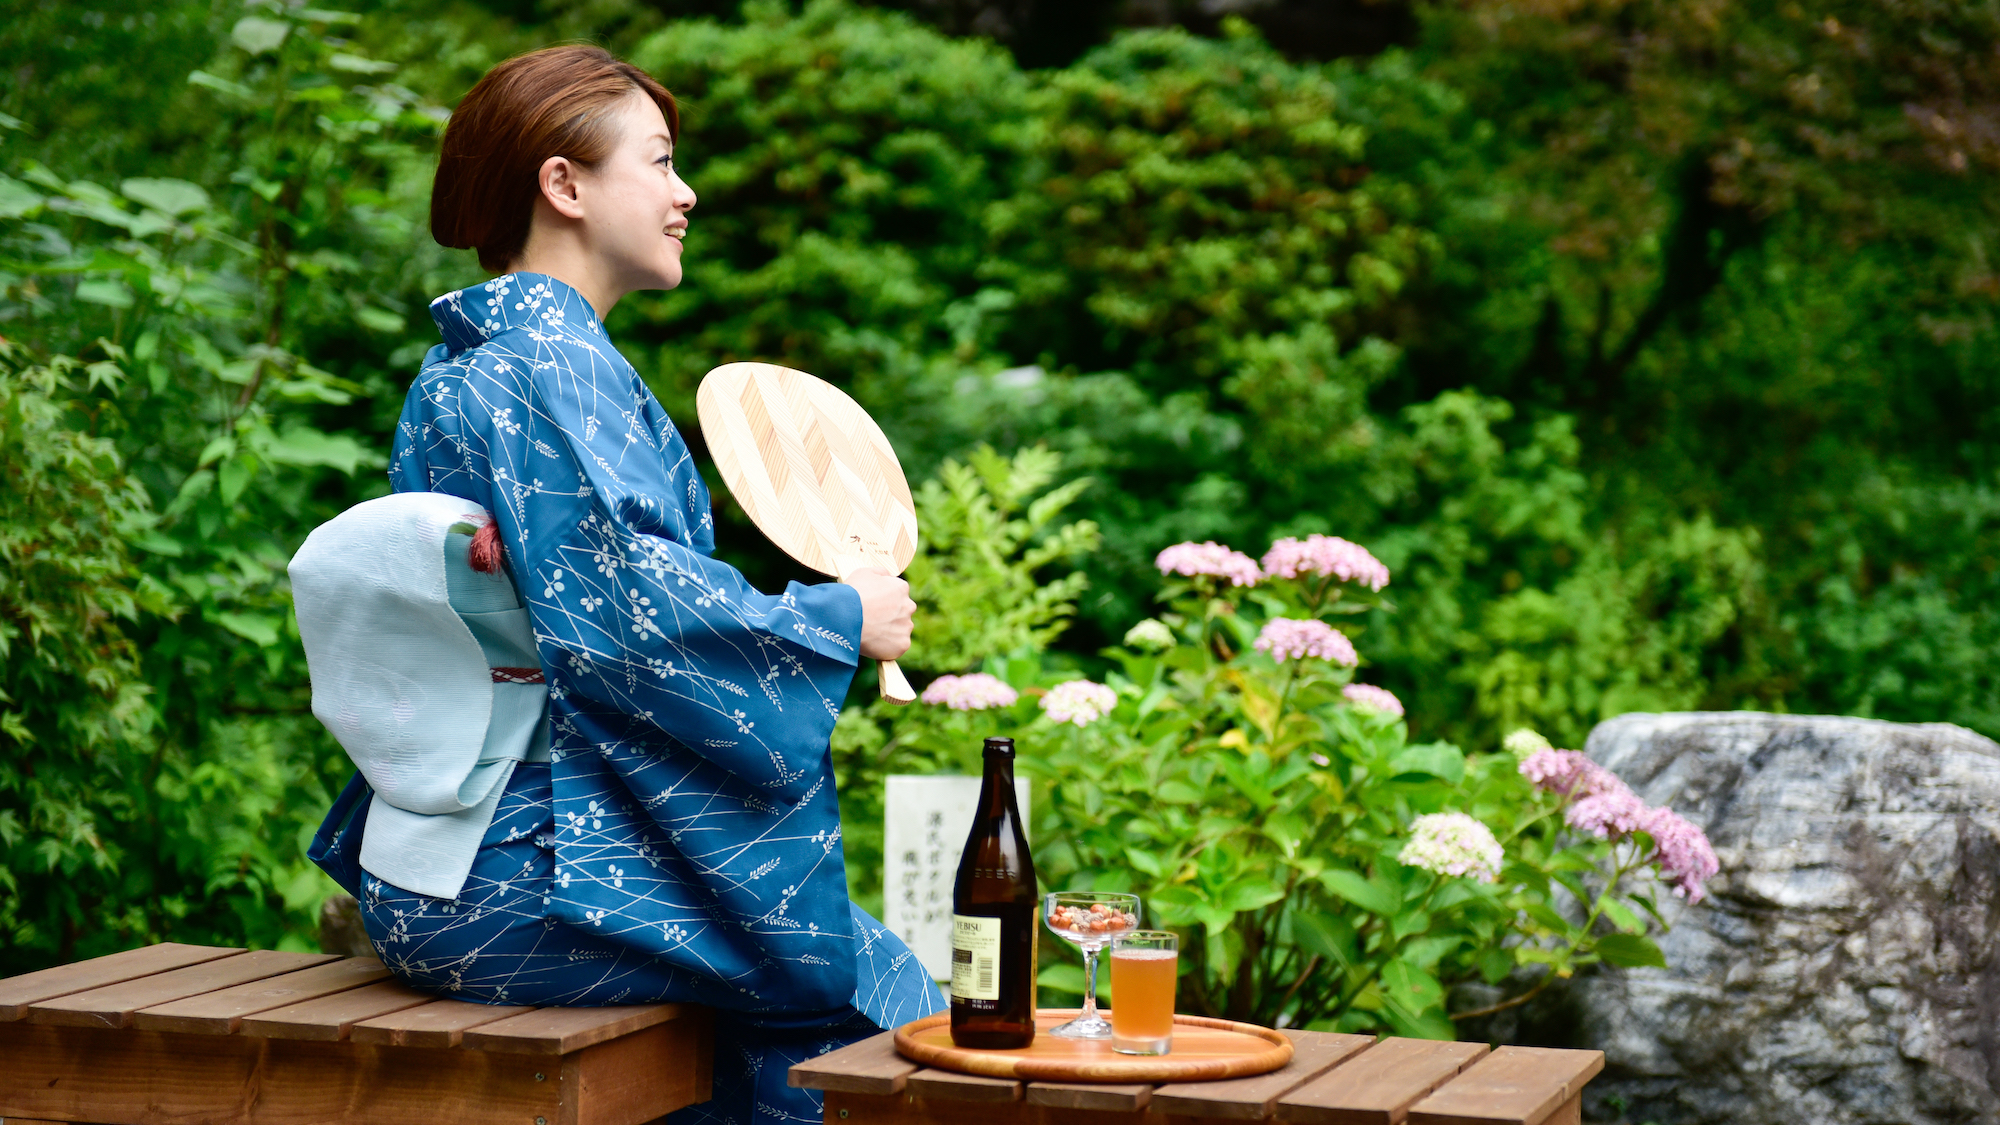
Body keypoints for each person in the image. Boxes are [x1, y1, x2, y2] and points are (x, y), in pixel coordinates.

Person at [302, 44, 942, 1125]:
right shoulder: (550, 366)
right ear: (565, 185)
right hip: (523, 869)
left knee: (830, 997)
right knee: (875, 1015)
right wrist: (839, 617)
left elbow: (581, 601)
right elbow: (623, 628)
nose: (684, 192)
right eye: (657, 161)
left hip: (448, 851)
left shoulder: (469, 360)